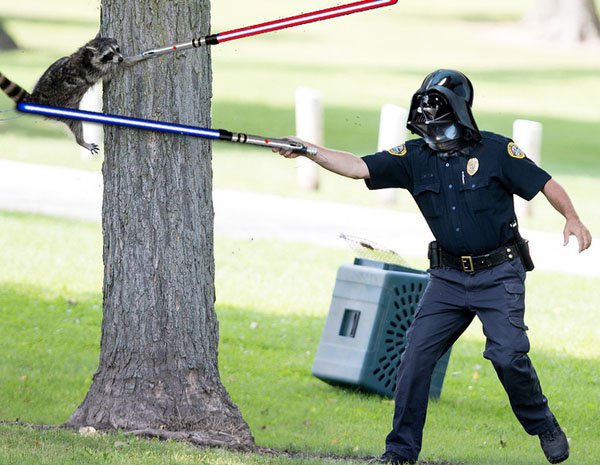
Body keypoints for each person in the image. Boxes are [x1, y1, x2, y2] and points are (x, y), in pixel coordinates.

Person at [273, 69, 592, 465]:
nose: (430, 129)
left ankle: (542, 423)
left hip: (498, 274)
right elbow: (357, 166)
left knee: (508, 357)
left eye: (437, 118)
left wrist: (572, 217)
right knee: (414, 359)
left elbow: (545, 183)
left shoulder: (496, 151)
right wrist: (308, 150)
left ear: (459, 113)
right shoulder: (414, 157)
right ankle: (400, 453)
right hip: (447, 278)